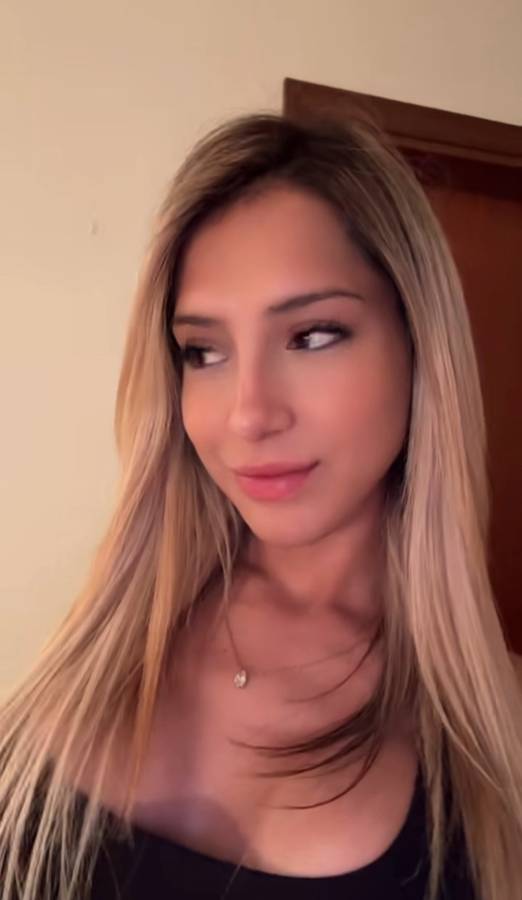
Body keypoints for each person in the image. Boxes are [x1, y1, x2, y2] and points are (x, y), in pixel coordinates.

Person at [0, 112, 521, 900]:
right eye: (204, 351)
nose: (248, 415)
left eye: (312, 336)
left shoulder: (495, 737)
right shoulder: (109, 633)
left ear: (419, 347)